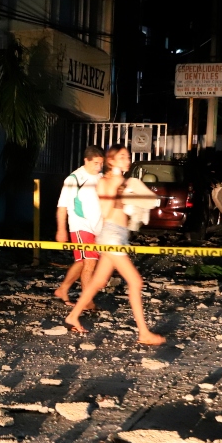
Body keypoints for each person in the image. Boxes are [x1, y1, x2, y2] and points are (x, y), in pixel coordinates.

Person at [64, 145, 165, 346]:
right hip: (110, 236)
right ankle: (143, 332)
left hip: (118, 235)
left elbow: (148, 202)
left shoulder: (127, 181)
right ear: (111, 161)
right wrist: (119, 186)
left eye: (128, 157)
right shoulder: (104, 182)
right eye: (122, 157)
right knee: (136, 282)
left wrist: (133, 191)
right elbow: (106, 211)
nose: (127, 161)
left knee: (98, 282)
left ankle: (73, 316)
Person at [54, 146, 104, 306]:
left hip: (98, 227)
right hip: (80, 225)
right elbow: (62, 207)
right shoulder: (74, 179)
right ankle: (87, 301)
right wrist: (61, 230)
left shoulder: (101, 178)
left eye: (101, 163)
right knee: (89, 261)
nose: (99, 167)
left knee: (83, 261)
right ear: (86, 161)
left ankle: (63, 288)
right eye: (95, 163)